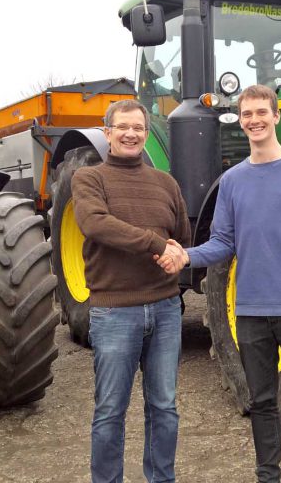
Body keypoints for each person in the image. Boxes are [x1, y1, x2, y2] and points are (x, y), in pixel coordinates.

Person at [158, 84, 281, 482]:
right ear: (239, 121)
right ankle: (268, 476)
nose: (255, 121)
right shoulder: (233, 181)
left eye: (262, 112)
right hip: (251, 313)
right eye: (247, 115)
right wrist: (188, 256)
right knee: (261, 403)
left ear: (276, 116)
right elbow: (224, 242)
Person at [71, 99, 191, 483]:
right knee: (110, 410)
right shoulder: (89, 179)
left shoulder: (165, 183)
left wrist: (175, 255)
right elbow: (96, 224)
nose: (131, 134)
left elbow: (182, 237)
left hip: (166, 309)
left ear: (146, 131)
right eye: (122, 127)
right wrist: (157, 245)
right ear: (107, 133)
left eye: (138, 127)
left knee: (164, 407)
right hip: (114, 311)